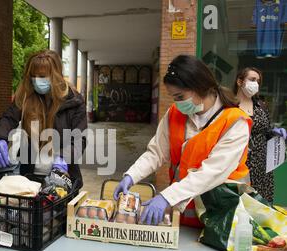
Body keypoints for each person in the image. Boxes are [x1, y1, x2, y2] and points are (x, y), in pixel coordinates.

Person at [0, 49, 87, 251]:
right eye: (34, 76)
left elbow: (81, 137)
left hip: (63, 176)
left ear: (55, 75)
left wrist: (65, 157)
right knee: (28, 227)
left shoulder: (74, 100)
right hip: (31, 173)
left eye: (43, 76)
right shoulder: (25, 95)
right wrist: (0, 139)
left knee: (58, 230)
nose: (38, 81)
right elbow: (7, 118)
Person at [114, 55, 252, 228]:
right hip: (184, 213)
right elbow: (156, 153)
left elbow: (211, 172)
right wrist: (131, 176)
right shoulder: (175, 114)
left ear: (200, 87)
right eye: (173, 97)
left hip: (221, 219)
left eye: (180, 96)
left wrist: (167, 197)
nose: (177, 103)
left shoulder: (235, 122)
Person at [234, 67, 287, 203]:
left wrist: (275, 132)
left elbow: (267, 130)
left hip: (261, 166)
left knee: (262, 205)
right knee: (240, 204)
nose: (256, 84)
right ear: (240, 81)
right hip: (237, 164)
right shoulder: (230, 105)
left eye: (258, 81)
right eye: (252, 79)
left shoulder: (260, 105)